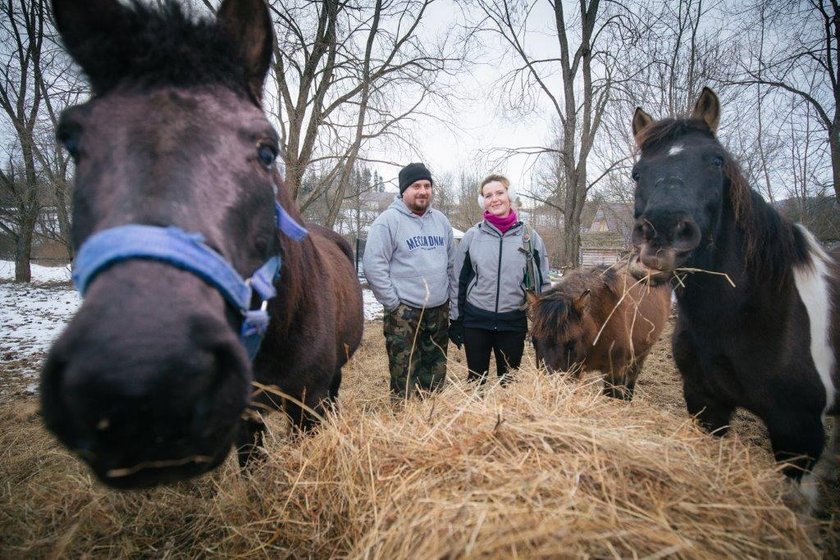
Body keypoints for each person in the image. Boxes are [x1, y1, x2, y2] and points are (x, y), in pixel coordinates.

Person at [363, 162, 457, 399]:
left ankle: (431, 416)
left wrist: (450, 301)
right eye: (416, 186)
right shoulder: (388, 222)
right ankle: (403, 420)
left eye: (427, 185)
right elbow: (374, 266)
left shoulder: (441, 221)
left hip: (438, 310)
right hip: (405, 313)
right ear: (404, 190)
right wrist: (394, 303)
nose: (423, 191)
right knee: (404, 373)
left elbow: (451, 265)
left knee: (435, 370)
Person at [449, 174, 550, 384]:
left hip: (512, 322)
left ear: (509, 196)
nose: (494, 199)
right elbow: (458, 280)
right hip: (476, 320)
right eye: (488, 195)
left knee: (509, 384)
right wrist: (456, 319)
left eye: (499, 193)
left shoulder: (530, 237)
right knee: (476, 382)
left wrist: (543, 323)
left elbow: (543, 283)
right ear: (482, 201)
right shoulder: (472, 236)